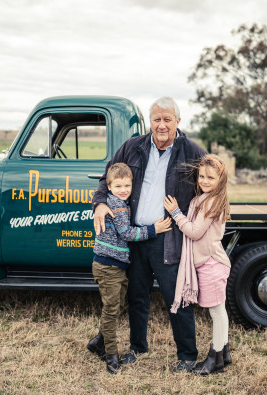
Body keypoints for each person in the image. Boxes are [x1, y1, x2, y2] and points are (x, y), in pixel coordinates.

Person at [92, 96, 206, 372]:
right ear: (150, 122)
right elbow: (106, 178)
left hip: (168, 237)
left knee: (175, 298)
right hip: (134, 237)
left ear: (178, 121)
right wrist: (100, 204)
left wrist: (209, 217)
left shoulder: (192, 151)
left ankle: (187, 355)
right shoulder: (133, 147)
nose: (162, 125)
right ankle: (138, 347)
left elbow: (213, 183)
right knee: (137, 296)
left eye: (167, 119)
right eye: (157, 119)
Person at [87, 163, 172, 374]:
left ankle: (98, 342)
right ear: (109, 186)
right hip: (108, 266)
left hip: (116, 265)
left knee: (115, 307)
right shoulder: (116, 205)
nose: (124, 190)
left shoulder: (121, 203)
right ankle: (111, 355)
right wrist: (153, 229)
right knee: (111, 310)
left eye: (127, 185)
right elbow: (127, 233)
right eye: (118, 186)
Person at [163, 154, 232, 376]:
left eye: (210, 177)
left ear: (220, 179)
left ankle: (215, 359)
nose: (204, 181)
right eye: (201, 176)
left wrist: (176, 214)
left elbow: (194, 232)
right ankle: (224, 353)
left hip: (212, 263)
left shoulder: (212, 202)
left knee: (217, 312)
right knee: (219, 310)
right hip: (206, 263)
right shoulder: (201, 199)